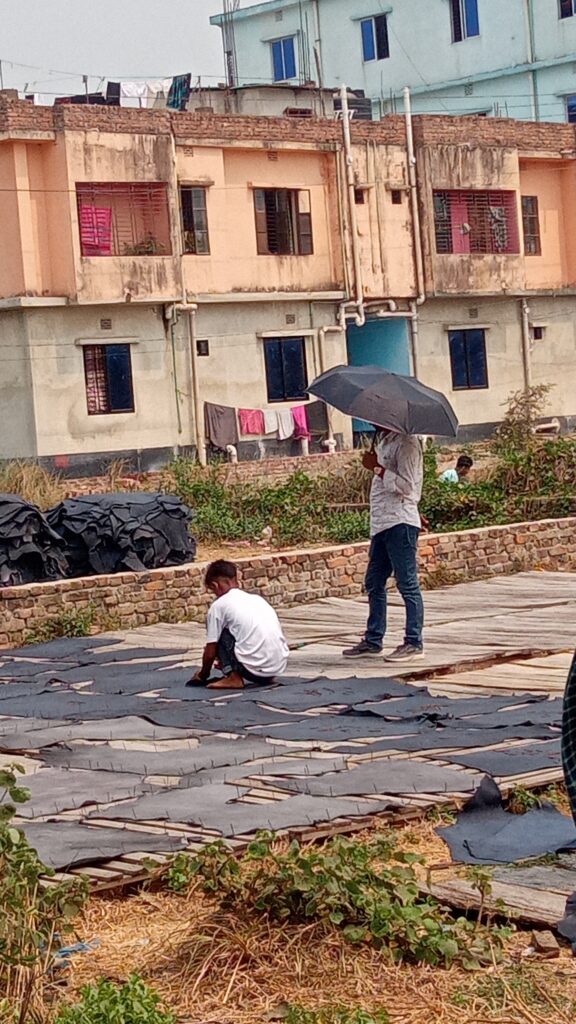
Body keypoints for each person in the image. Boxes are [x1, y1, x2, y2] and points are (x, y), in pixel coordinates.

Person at [343, 428, 425, 663]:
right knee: (374, 582)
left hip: (399, 522)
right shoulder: (385, 442)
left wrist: (377, 469)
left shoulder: (407, 443)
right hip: (381, 524)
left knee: (407, 583)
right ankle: (373, 638)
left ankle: (413, 642)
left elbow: (408, 487)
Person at [189, 559, 289, 690]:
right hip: (276, 668)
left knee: (219, 635)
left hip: (252, 670)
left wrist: (202, 675)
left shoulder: (219, 606)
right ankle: (260, 671)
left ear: (215, 585)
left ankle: (233, 677)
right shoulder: (257, 599)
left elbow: (210, 651)